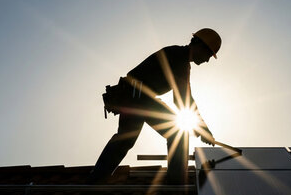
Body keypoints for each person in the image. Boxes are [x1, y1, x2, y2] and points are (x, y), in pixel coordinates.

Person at [87, 28, 221, 185]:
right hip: (138, 96)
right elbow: (183, 99)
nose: (207, 60)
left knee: (125, 139)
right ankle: (176, 183)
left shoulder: (178, 56)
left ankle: (96, 179)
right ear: (200, 46)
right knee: (178, 133)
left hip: (134, 95)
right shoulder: (179, 57)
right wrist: (202, 129)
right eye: (208, 55)